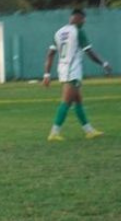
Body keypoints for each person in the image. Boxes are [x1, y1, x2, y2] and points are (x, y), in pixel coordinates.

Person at [43, 8, 112, 141]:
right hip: (72, 71)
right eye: (83, 20)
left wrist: (47, 74)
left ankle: (89, 131)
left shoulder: (59, 32)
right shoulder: (78, 31)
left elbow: (50, 54)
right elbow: (89, 52)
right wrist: (103, 64)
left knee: (78, 100)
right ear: (78, 18)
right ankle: (54, 132)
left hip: (63, 69)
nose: (84, 22)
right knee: (67, 102)